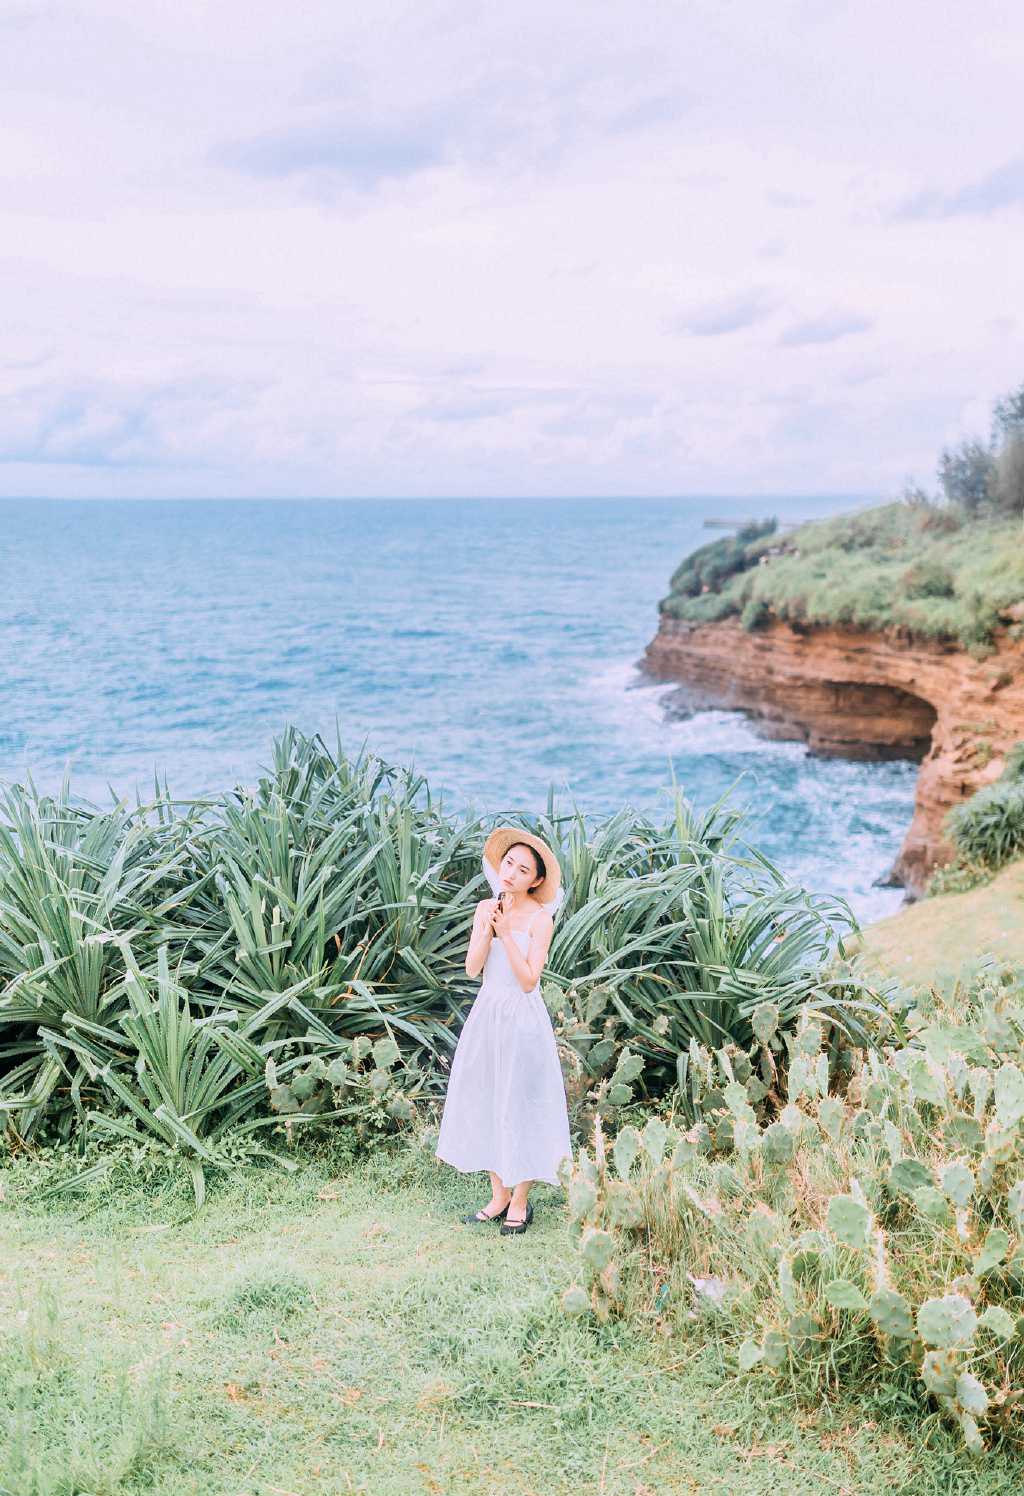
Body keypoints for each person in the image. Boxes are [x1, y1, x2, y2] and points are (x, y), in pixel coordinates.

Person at [435, 826, 572, 1235]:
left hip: (522, 1017)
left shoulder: (540, 918)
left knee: (523, 1100)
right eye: (508, 863)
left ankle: (521, 1200)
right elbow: (473, 968)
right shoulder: (486, 907)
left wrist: (505, 935)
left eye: (522, 869)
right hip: (488, 1012)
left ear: (537, 880)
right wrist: (485, 926)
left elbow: (530, 979)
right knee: (488, 1097)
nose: (511, 873)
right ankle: (498, 1195)